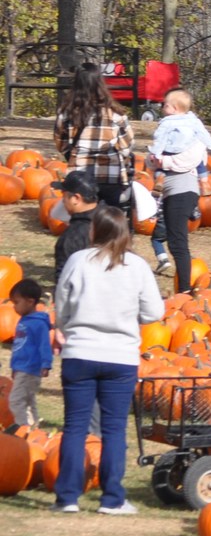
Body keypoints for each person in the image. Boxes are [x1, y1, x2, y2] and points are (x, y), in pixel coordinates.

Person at [51, 205, 164, 514]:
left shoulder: (78, 261)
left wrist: (66, 327)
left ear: (94, 231)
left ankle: (67, 497)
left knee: (75, 426)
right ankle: (112, 498)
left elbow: (61, 306)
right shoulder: (137, 266)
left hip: (81, 353)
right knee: (114, 428)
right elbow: (155, 312)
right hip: (120, 356)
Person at [147, 88, 211, 293]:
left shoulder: (192, 133)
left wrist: (163, 161)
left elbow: (189, 160)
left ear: (176, 108)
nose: (161, 108)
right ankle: (184, 288)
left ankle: (185, 291)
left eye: (165, 104)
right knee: (173, 239)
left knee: (178, 242)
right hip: (168, 189)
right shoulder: (167, 130)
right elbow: (154, 159)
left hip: (183, 189)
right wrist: (153, 160)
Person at [53, 64, 133, 211]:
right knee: (109, 223)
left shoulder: (66, 113)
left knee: (83, 222)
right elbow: (126, 147)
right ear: (100, 82)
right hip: (110, 177)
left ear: (76, 83)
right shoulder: (115, 113)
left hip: (80, 178)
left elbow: (61, 144)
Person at [8, 278, 51, 429]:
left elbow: (44, 344)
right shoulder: (24, 321)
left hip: (30, 368)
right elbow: (20, 346)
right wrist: (15, 367)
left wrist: (46, 363)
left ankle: (22, 428)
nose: (14, 307)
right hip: (22, 368)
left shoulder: (38, 323)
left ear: (30, 301)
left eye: (17, 302)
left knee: (16, 400)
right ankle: (33, 429)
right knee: (28, 400)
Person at [51, 172, 101, 281]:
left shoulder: (71, 237)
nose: (63, 200)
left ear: (75, 199)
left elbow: (64, 279)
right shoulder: (115, 221)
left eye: (63, 195)